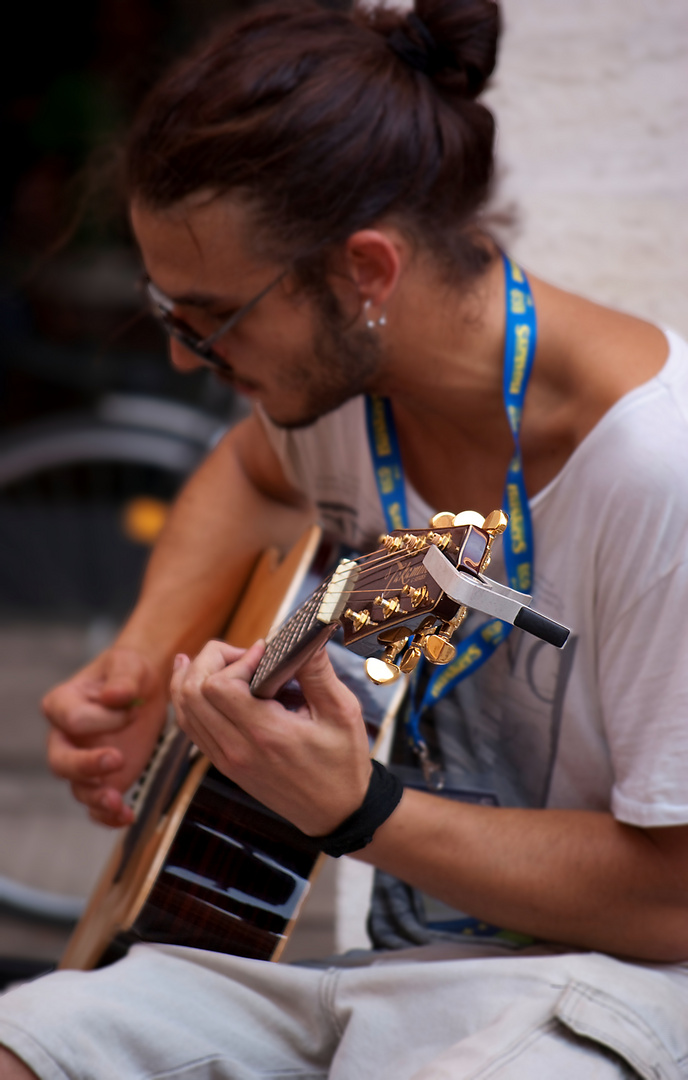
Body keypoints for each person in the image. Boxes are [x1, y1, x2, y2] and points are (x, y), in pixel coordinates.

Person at [2, 0, 688, 1076]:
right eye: (165, 313)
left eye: (211, 319)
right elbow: (245, 472)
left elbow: (673, 901)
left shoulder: (656, 473)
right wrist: (143, 663)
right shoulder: (342, 401)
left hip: (603, 996)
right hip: (374, 981)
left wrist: (358, 808)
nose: (184, 359)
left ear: (365, 273)